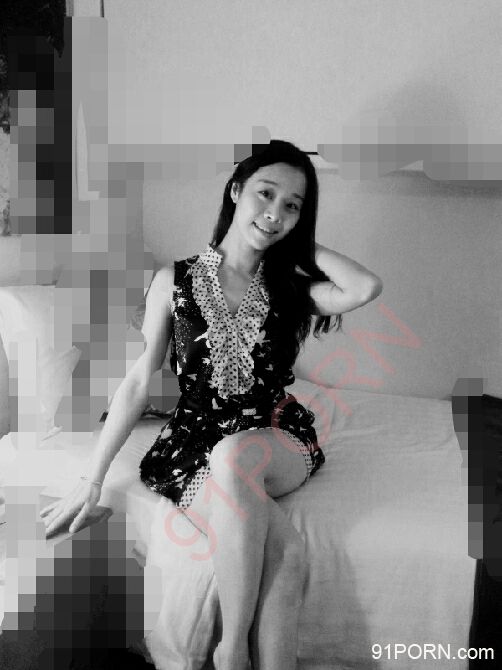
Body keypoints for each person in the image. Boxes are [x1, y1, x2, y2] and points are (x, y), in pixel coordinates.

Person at [40, 139, 383, 670]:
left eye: (292, 205)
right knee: (287, 554)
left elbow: (364, 286)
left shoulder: (289, 287)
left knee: (235, 454)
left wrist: (298, 242)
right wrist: (93, 477)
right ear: (235, 190)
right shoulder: (173, 281)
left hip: (275, 435)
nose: (275, 213)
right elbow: (139, 381)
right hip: (192, 447)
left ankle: (230, 649)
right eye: (265, 194)